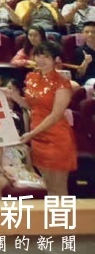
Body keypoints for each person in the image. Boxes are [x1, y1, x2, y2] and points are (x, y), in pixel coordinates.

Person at [6, 41, 78, 197]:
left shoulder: (62, 83)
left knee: (59, 188)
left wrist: (31, 134)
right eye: (38, 55)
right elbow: (31, 106)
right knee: (49, 187)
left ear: (55, 60)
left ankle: (64, 220)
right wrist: (14, 96)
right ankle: (53, 219)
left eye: (46, 56)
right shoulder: (31, 78)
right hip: (38, 137)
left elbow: (55, 115)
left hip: (57, 138)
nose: (41, 60)